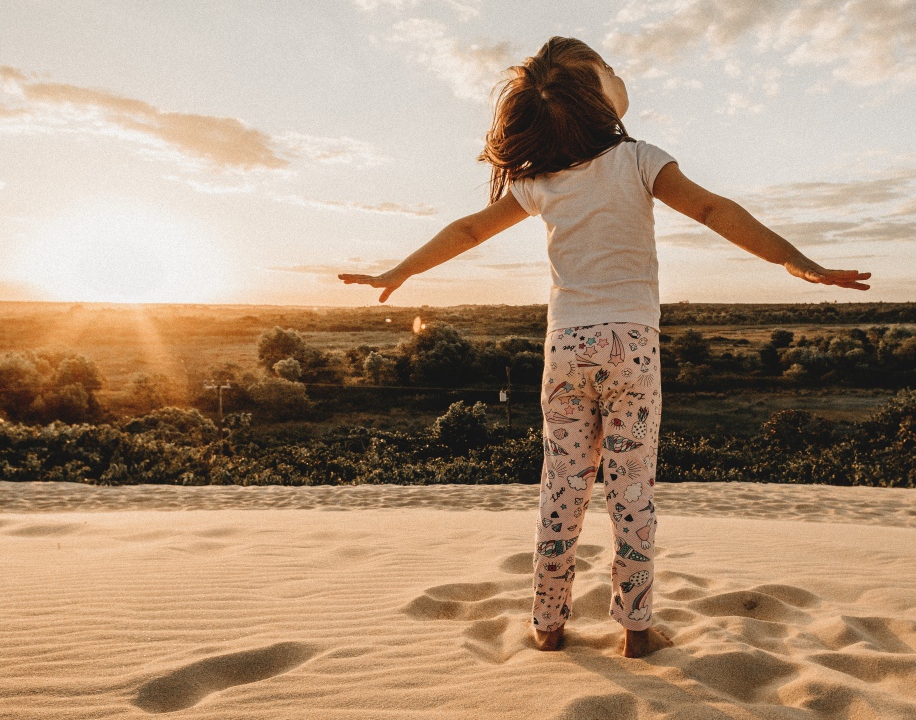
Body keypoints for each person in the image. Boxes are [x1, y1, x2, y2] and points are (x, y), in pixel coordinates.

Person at [340, 37, 870, 658]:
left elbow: (467, 229)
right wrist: (795, 261)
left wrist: (399, 272)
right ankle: (638, 630)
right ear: (595, 94)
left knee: (561, 488)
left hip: (566, 347)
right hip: (632, 347)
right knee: (632, 490)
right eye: (611, 70)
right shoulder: (640, 159)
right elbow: (711, 208)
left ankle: (547, 625)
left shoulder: (539, 181)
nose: (622, 77)